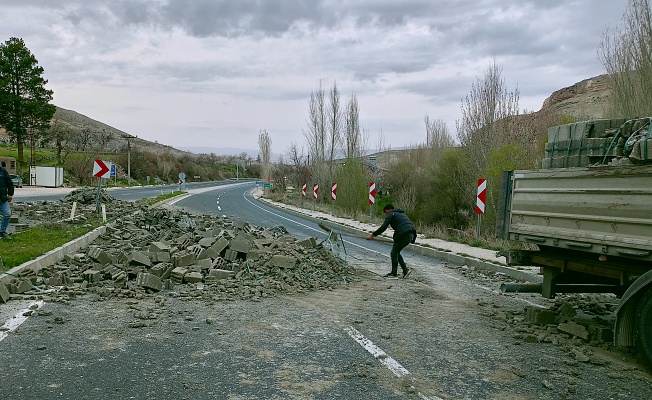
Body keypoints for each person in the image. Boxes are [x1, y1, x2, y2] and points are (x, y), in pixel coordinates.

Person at [366, 204, 416, 279]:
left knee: (394, 253)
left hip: (404, 235)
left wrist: (372, 235)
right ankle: (405, 270)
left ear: (389, 210)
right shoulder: (401, 214)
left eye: (386, 212)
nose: (386, 214)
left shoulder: (391, 214)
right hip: (411, 235)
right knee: (396, 252)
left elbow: (383, 227)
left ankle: (394, 274)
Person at [0, 160, 14, 240]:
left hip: (3, 199)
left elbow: (9, 183)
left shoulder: (3, 171)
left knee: (7, 213)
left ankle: (2, 232)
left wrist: (10, 194)